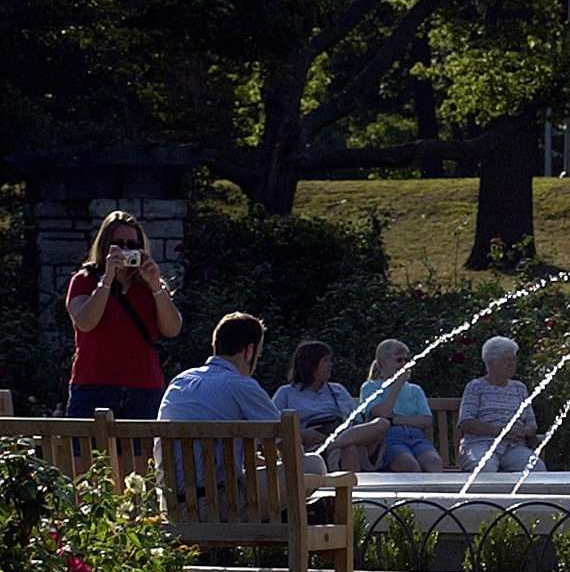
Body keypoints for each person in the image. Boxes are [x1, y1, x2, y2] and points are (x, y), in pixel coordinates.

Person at [65, 210, 183, 417]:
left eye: (132, 245)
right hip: (94, 384)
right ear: (105, 246)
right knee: (85, 449)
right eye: (118, 244)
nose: (126, 250)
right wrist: (107, 279)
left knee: (141, 450)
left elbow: (172, 329)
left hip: (144, 387)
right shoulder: (84, 280)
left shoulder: (148, 285)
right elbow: (85, 322)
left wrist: (156, 285)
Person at [157, 312, 282, 492]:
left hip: (173, 504)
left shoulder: (180, 381)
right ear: (249, 351)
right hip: (223, 503)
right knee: (313, 464)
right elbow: (290, 449)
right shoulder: (242, 386)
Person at [273, 341, 387, 473]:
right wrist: (302, 433)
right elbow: (274, 425)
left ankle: (329, 445)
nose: (330, 365)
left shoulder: (337, 390)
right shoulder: (286, 392)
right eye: (325, 361)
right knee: (349, 449)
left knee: (381, 423)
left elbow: (357, 421)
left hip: (341, 432)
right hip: (312, 441)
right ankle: (350, 490)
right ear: (310, 364)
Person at [457, 335, 545, 473]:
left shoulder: (519, 388)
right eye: (506, 360)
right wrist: (501, 431)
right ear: (491, 363)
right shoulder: (476, 387)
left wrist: (523, 432)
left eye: (513, 360)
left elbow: (531, 422)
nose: (512, 364)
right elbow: (466, 422)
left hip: (513, 446)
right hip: (481, 444)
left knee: (536, 467)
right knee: (485, 468)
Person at [358, 338, 444, 473]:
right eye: (399, 360)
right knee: (409, 465)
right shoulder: (370, 387)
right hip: (389, 438)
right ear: (384, 362)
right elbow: (382, 413)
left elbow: (426, 420)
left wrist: (395, 420)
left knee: (434, 462)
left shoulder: (415, 390)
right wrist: (397, 384)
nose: (403, 364)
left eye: (406, 361)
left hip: (417, 438)